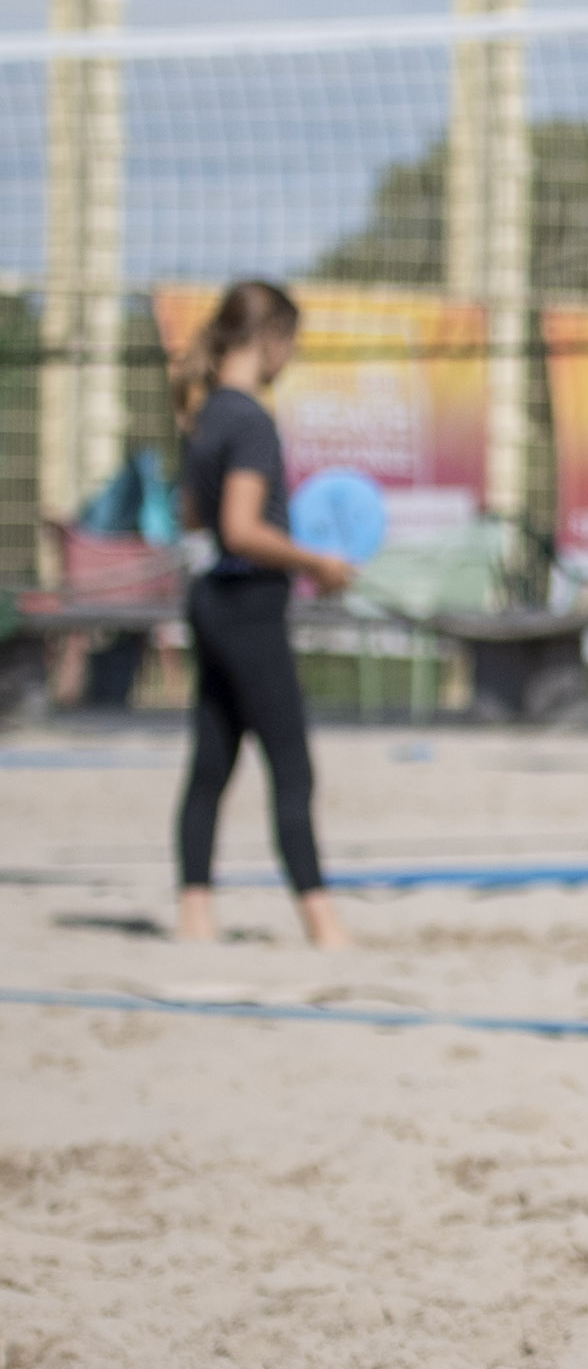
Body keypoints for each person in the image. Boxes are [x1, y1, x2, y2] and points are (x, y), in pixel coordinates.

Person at [169, 281, 357, 950]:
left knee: (212, 762)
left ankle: (196, 917)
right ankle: (323, 924)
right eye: (292, 344)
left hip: (210, 601)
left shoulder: (204, 414)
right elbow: (241, 528)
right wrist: (318, 563)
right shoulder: (249, 419)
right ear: (271, 337)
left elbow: (192, 517)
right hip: (249, 605)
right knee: (292, 766)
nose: (291, 359)